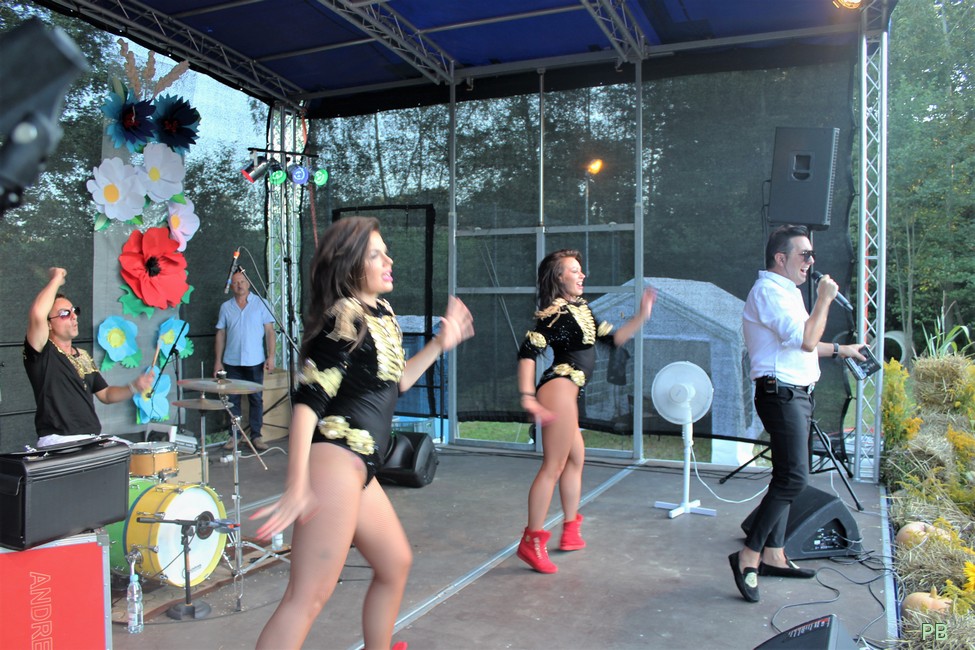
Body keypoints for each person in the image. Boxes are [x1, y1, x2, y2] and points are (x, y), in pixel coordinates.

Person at [251, 216, 474, 650]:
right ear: (351, 266)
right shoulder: (343, 318)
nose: (389, 261)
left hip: (360, 467)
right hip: (336, 463)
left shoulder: (381, 314)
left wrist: (438, 344)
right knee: (307, 597)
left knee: (395, 563)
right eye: (376, 255)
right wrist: (296, 485)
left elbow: (399, 382)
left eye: (385, 252)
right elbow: (307, 403)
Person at [729, 225, 865, 603]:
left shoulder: (786, 292)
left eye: (812, 255)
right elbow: (806, 339)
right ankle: (749, 556)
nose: (811, 261)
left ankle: (774, 553)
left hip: (796, 395)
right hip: (781, 395)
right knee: (793, 478)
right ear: (781, 257)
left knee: (787, 477)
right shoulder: (768, 292)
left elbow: (802, 342)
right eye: (804, 254)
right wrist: (824, 300)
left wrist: (842, 350)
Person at [516, 249, 656, 573]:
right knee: (553, 466)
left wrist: (642, 316)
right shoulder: (554, 314)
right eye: (574, 271)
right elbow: (527, 352)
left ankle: (570, 530)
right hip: (558, 389)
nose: (582, 275)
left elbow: (614, 338)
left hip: (569, 391)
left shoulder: (582, 310)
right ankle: (531, 541)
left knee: (575, 460)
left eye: (581, 270)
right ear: (558, 277)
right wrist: (527, 397)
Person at [24, 267, 155, 447]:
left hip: (90, 438)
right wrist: (56, 278)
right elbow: (38, 313)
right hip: (59, 440)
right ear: (49, 324)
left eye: (74, 311)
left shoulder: (83, 355)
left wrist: (134, 387)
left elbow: (106, 395)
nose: (74, 317)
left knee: (133, 451)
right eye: (64, 314)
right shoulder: (42, 351)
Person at [215, 267, 276, 452]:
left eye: (242, 281)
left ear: (248, 283)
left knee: (256, 399)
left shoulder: (261, 304)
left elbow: (270, 331)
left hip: (255, 360)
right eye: (235, 283)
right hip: (231, 361)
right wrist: (217, 361)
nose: (239, 285)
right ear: (231, 286)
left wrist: (271, 356)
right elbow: (220, 333)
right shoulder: (226, 307)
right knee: (232, 400)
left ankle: (256, 436)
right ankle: (234, 436)